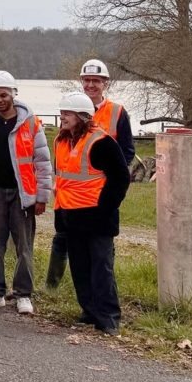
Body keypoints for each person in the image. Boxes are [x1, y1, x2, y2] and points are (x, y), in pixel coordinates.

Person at [47, 59, 135, 289]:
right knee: (63, 239)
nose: (91, 85)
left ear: (105, 83)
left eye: (96, 80)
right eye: (87, 80)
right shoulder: (72, 108)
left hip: (102, 188)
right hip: (71, 195)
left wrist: (110, 179)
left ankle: (103, 292)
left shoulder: (116, 112)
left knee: (101, 243)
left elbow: (126, 149)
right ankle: (53, 285)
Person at [0, 71, 52, 315]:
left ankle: (23, 294)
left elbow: (42, 161)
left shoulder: (30, 122)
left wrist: (41, 196)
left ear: (13, 94)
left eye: (3, 95)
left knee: (24, 247)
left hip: (23, 194)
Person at [53, 92, 131, 335]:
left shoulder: (102, 142)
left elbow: (120, 179)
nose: (62, 117)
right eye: (62, 112)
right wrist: (60, 216)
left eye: (67, 113)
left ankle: (108, 317)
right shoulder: (62, 141)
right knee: (80, 267)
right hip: (71, 217)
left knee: (101, 268)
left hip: (97, 218)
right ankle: (89, 311)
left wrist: (104, 210)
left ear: (81, 116)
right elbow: (63, 180)